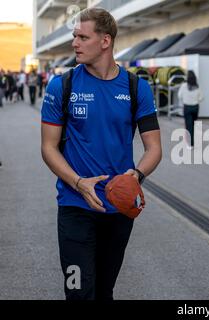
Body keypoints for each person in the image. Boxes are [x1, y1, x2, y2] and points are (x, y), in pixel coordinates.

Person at [40, 8, 162, 300]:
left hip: (118, 208)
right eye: (74, 37)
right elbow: (48, 147)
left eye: (83, 37)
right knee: (78, 292)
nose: (75, 43)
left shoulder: (136, 88)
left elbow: (154, 148)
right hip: (74, 205)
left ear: (105, 41)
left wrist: (136, 175)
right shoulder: (62, 86)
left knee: (104, 292)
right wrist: (78, 182)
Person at [177, 70, 203, 148]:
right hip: (195, 108)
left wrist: (185, 99)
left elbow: (179, 95)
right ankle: (191, 142)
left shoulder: (184, 85)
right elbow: (201, 97)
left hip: (187, 107)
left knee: (188, 126)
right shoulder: (197, 86)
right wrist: (196, 100)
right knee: (192, 125)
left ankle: (190, 144)